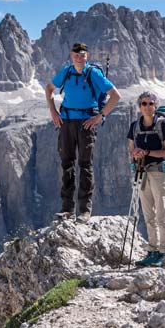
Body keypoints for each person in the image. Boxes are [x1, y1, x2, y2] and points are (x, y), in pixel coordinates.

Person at [45, 42, 121, 223]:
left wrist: (100, 116)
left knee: (85, 165)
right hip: (66, 121)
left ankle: (85, 211)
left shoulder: (93, 73)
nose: (79, 57)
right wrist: (53, 112)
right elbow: (49, 89)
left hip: (86, 124)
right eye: (76, 54)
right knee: (67, 164)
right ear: (72, 55)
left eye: (82, 54)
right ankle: (67, 210)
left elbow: (115, 95)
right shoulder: (67, 72)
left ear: (87, 56)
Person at [127, 91, 165, 266]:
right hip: (142, 171)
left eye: (150, 103)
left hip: (159, 171)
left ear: (155, 106)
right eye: (143, 104)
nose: (147, 107)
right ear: (139, 106)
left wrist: (146, 153)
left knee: (162, 211)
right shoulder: (134, 126)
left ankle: (164, 250)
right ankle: (153, 250)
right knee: (148, 213)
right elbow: (131, 149)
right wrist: (136, 154)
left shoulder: (163, 125)